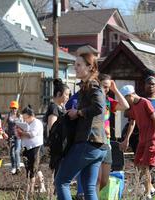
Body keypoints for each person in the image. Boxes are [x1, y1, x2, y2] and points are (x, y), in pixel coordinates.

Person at [54, 47, 107, 200]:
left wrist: (78, 112)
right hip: (98, 145)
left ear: (90, 67)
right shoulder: (87, 86)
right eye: (75, 65)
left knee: (61, 181)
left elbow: (99, 107)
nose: (75, 68)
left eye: (79, 65)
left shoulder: (93, 85)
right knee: (89, 188)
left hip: (88, 142)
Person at [119, 85, 155, 200]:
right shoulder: (133, 106)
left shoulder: (145, 102)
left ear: (130, 95)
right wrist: (126, 139)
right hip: (142, 139)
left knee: (145, 166)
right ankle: (151, 190)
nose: (125, 102)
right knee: (137, 164)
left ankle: (147, 194)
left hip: (151, 138)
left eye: (125, 98)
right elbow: (132, 123)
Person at [97, 73, 129, 191]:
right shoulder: (93, 100)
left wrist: (115, 90)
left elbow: (125, 106)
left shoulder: (108, 101)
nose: (106, 89)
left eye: (107, 87)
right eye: (104, 86)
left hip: (107, 142)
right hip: (95, 141)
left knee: (104, 181)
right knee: (97, 179)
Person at [16, 105, 46, 193]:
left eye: (26, 118)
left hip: (35, 148)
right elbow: (23, 135)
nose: (24, 120)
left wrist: (22, 132)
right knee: (34, 168)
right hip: (26, 148)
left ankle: (30, 189)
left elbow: (32, 134)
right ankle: (42, 186)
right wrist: (19, 132)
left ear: (31, 116)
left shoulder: (37, 123)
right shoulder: (26, 124)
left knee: (33, 169)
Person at [3, 100, 23, 174]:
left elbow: (23, 126)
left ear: (17, 108)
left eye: (15, 108)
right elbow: (3, 126)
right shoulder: (7, 116)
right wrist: (3, 133)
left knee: (17, 151)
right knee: (11, 152)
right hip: (10, 136)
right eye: (13, 108)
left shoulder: (20, 116)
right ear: (10, 108)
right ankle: (13, 167)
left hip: (18, 136)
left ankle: (18, 167)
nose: (14, 109)